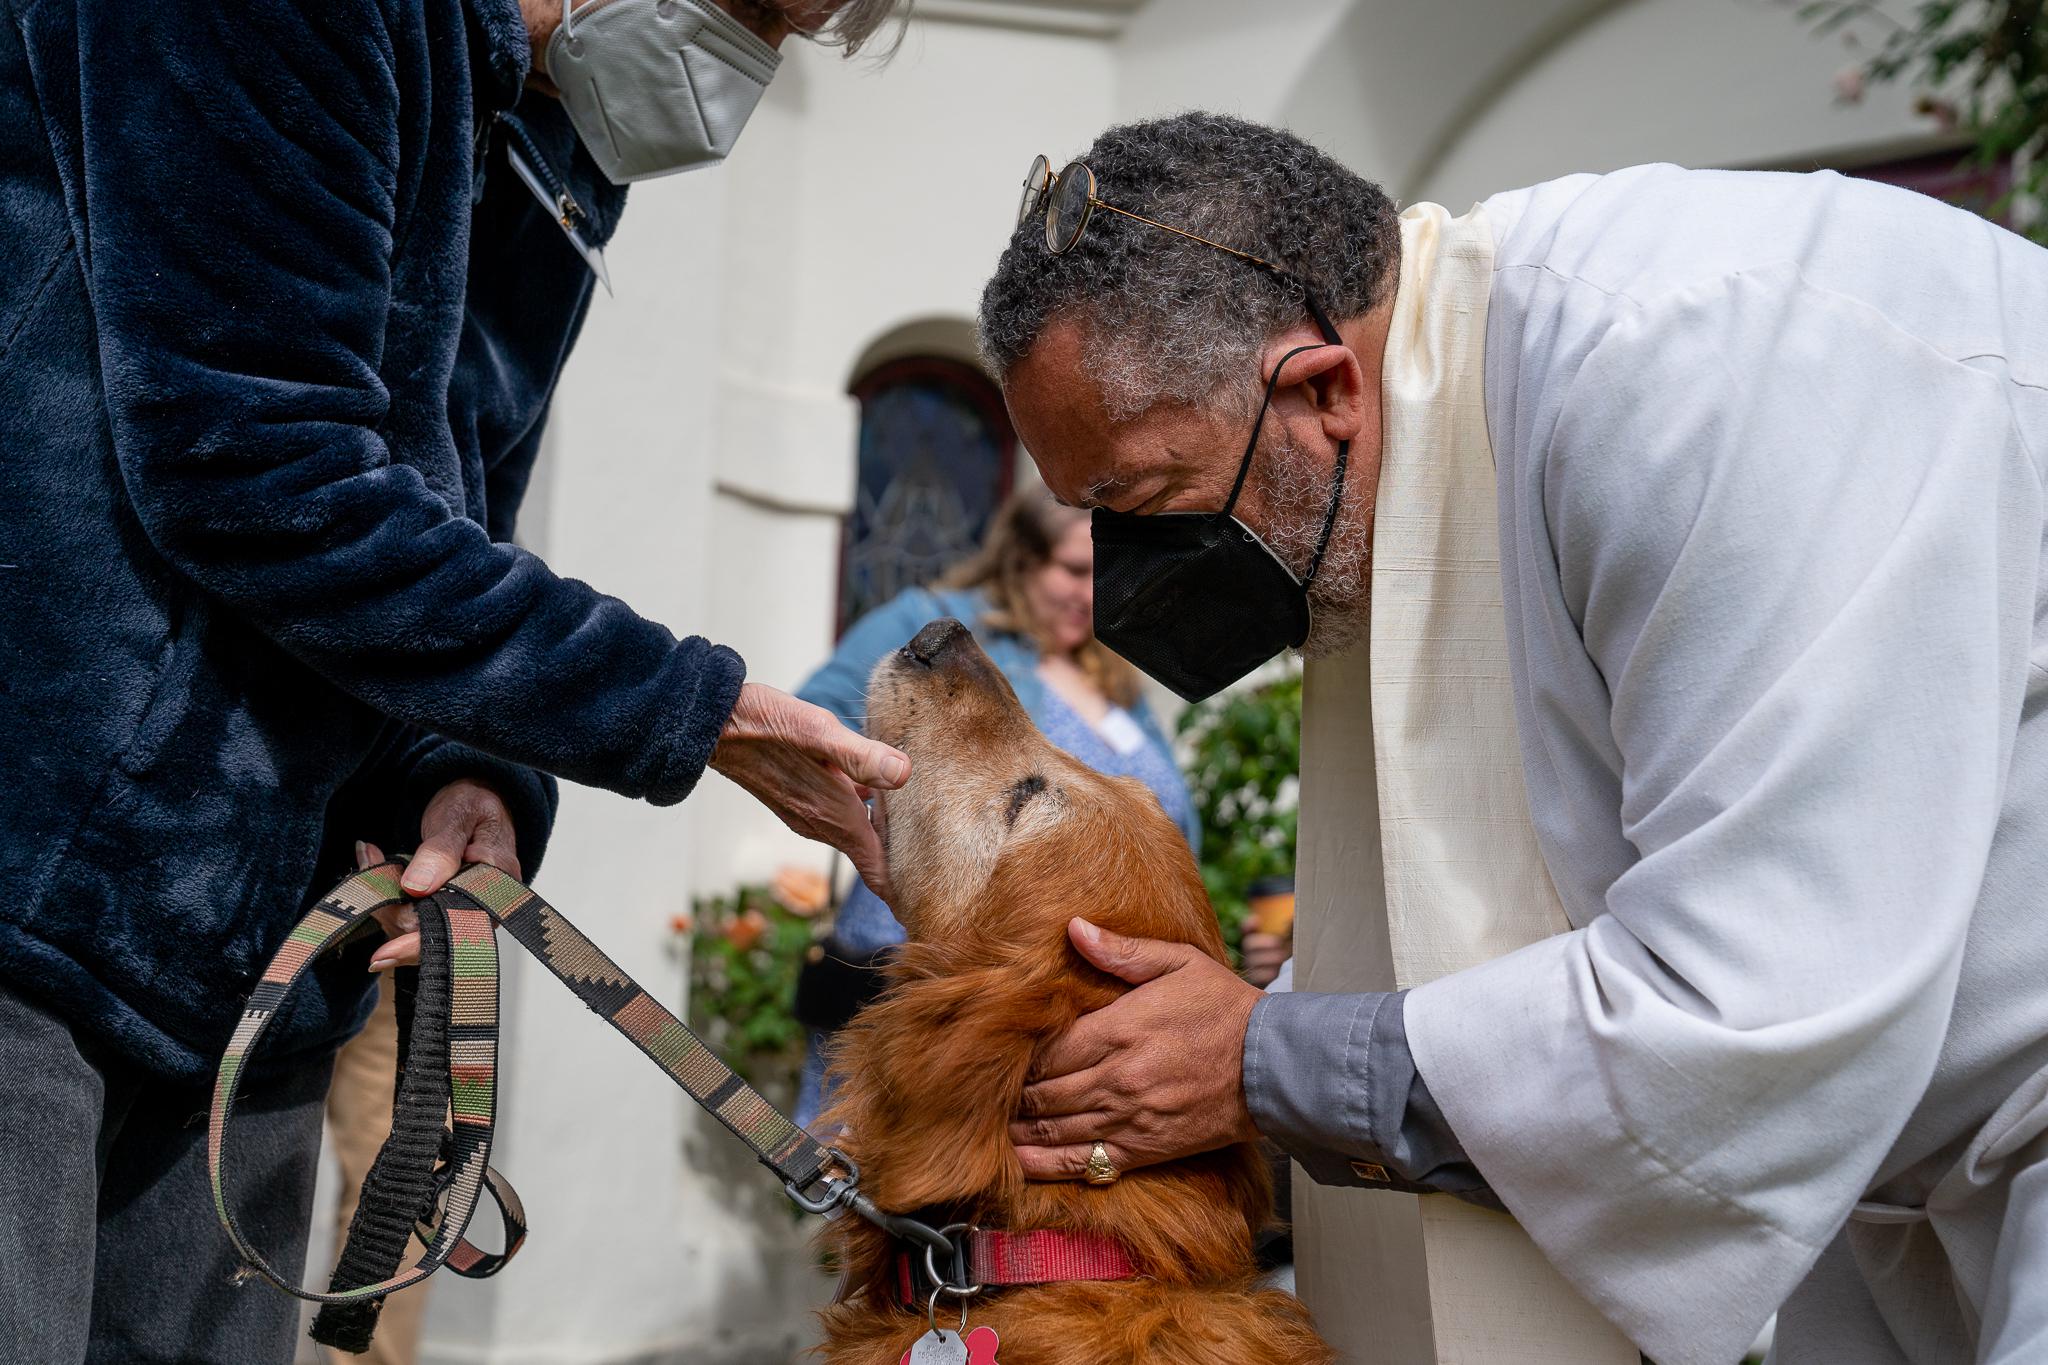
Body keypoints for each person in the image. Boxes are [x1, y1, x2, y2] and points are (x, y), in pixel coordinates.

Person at [974, 113, 2048, 1363]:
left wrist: (1261, 1057)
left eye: (1142, 502)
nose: (1126, 578)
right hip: (1889, 1192)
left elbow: (1750, 1005)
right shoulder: (1452, 378)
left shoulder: (1698, 368)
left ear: (1323, 388)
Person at [0, 1, 912, 1360]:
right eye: (749, 9)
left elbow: (447, 492)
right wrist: (687, 709)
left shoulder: (544, 134)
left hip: (249, 955)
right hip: (37, 889)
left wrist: (463, 767)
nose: (747, 69)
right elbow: (256, 460)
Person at [791, 485, 1196, 1127]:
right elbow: (814, 718)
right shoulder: (939, 624)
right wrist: (870, 777)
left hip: (1077, 1009)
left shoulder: (1113, 673)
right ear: (1020, 560)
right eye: (1073, 571)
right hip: (936, 983)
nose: (1090, 595)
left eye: (1105, 578)